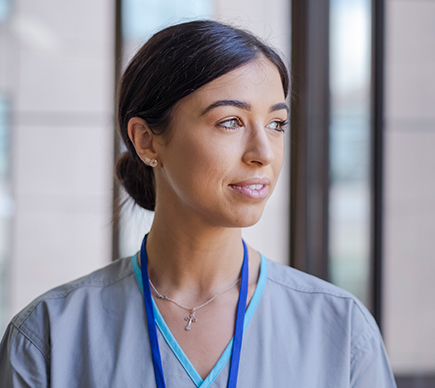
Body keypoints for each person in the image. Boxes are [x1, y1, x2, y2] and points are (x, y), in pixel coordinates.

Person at [0, 20, 396, 387]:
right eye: (230, 122)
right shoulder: (48, 335)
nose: (264, 153)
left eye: (276, 125)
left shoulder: (341, 330)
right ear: (146, 141)